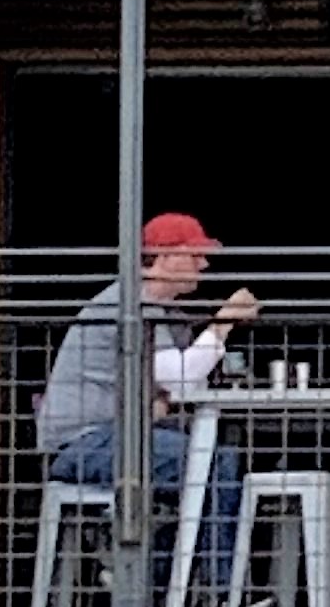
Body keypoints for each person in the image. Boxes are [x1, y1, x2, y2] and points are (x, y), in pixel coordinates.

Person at [35, 209, 259, 537]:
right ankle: (212, 586)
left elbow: (180, 384)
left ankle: (160, 578)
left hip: (104, 438)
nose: (204, 265)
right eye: (195, 255)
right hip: (84, 442)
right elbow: (182, 377)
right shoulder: (130, 305)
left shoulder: (156, 310)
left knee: (206, 467)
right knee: (213, 464)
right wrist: (223, 322)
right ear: (165, 256)